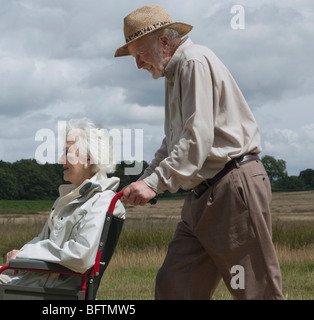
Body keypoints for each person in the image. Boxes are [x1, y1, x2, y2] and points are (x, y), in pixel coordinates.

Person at [114, 5, 284, 300]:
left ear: (165, 42)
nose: (138, 65)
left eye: (140, 54)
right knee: (174, 286)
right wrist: (142, 180)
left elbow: (197, 140)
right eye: (133, 57)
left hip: (233, 187)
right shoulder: (173, 72)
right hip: (200, 197)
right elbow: (172, 144)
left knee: (257, 291)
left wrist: (153, 184)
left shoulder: (193, 62)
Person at [0, 118, 125, 300]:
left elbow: (81, 256)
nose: (61, 159)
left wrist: (25, 255)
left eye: (67, 152)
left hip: (53, 290)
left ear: (89, 157)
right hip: (36, 280)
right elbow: (43, 239)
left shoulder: (102, 201)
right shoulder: (68, 197)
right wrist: (20, 256)